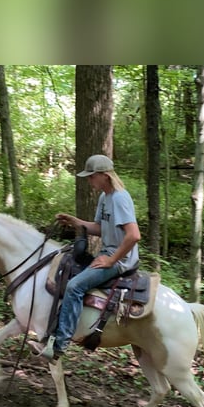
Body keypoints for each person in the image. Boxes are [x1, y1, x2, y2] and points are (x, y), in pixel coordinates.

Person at [36, 154, 141, 362]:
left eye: (92, 176)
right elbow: (100, 228)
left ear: (104, 176)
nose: (89, 180)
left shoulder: (120, 198)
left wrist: (112, 261)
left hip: (120, 260)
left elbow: (134, 235)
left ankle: (60, 343)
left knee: (75, 286)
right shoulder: (104, 198)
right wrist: (75, 222)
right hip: (107, 254)